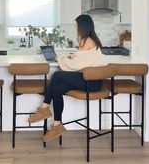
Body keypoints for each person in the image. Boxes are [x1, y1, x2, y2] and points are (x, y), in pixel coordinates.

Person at [28, 14, 106, 142]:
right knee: (57, 89)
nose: (75, 28)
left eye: (77, 26)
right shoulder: (91, 39)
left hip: (92, 83)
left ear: (83, 26)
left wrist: (61, 59)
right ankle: (57, 125)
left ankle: (44, 108)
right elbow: (82, 60)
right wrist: (67, 57)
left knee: (57, 75)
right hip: (89, 80)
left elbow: (75, 65)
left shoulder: (87, 41)